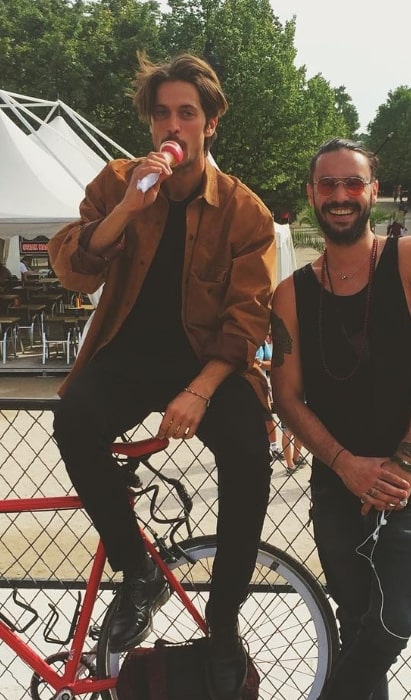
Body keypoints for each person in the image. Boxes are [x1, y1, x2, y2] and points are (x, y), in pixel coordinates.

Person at [48, 52, 276, 700]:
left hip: (208, 361)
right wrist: (125, 207)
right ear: (151, 124)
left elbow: (246, 323)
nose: (173, 126)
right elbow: (73, 268)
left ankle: (224, 623)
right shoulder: (119, 180)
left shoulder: (244, 211)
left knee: (247, 453)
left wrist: (200, 391)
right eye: (162, 114)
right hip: (125, 357)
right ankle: (137, 570)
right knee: (73, 419)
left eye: (187, 113)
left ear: (211, 124)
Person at [270, 137, 411, 700]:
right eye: (328, 184)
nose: (341, 195)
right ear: (311, 195)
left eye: (353, 183)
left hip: (409, 480)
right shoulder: (291, 296)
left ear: (373, 191)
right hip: (335, 485)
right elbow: (287, 396)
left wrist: (402, 460)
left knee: (392, 624)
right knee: (356, 628)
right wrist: (347, 466)